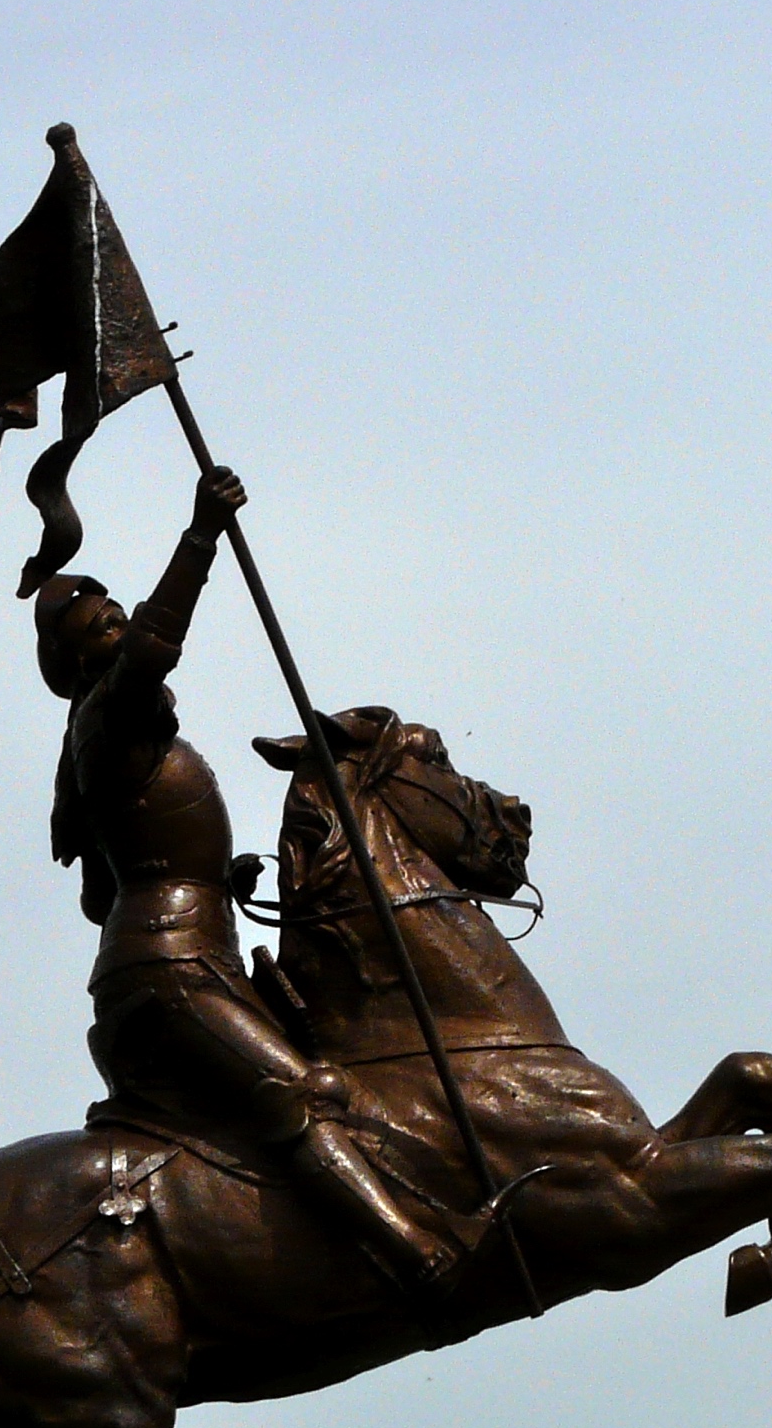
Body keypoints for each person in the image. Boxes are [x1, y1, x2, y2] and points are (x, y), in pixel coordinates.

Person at [37, 467, 459, 1296]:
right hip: (171, 966)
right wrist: (200, 536)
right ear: (82, 660)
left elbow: (101, 893)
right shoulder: (106, 715)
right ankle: (416, 1254)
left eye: (116, 614)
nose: (121, 631)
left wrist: (210, 878)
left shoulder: (117, 741)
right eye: (103, 628)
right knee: (301, 1089)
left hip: (186, 946)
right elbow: (158, 643)